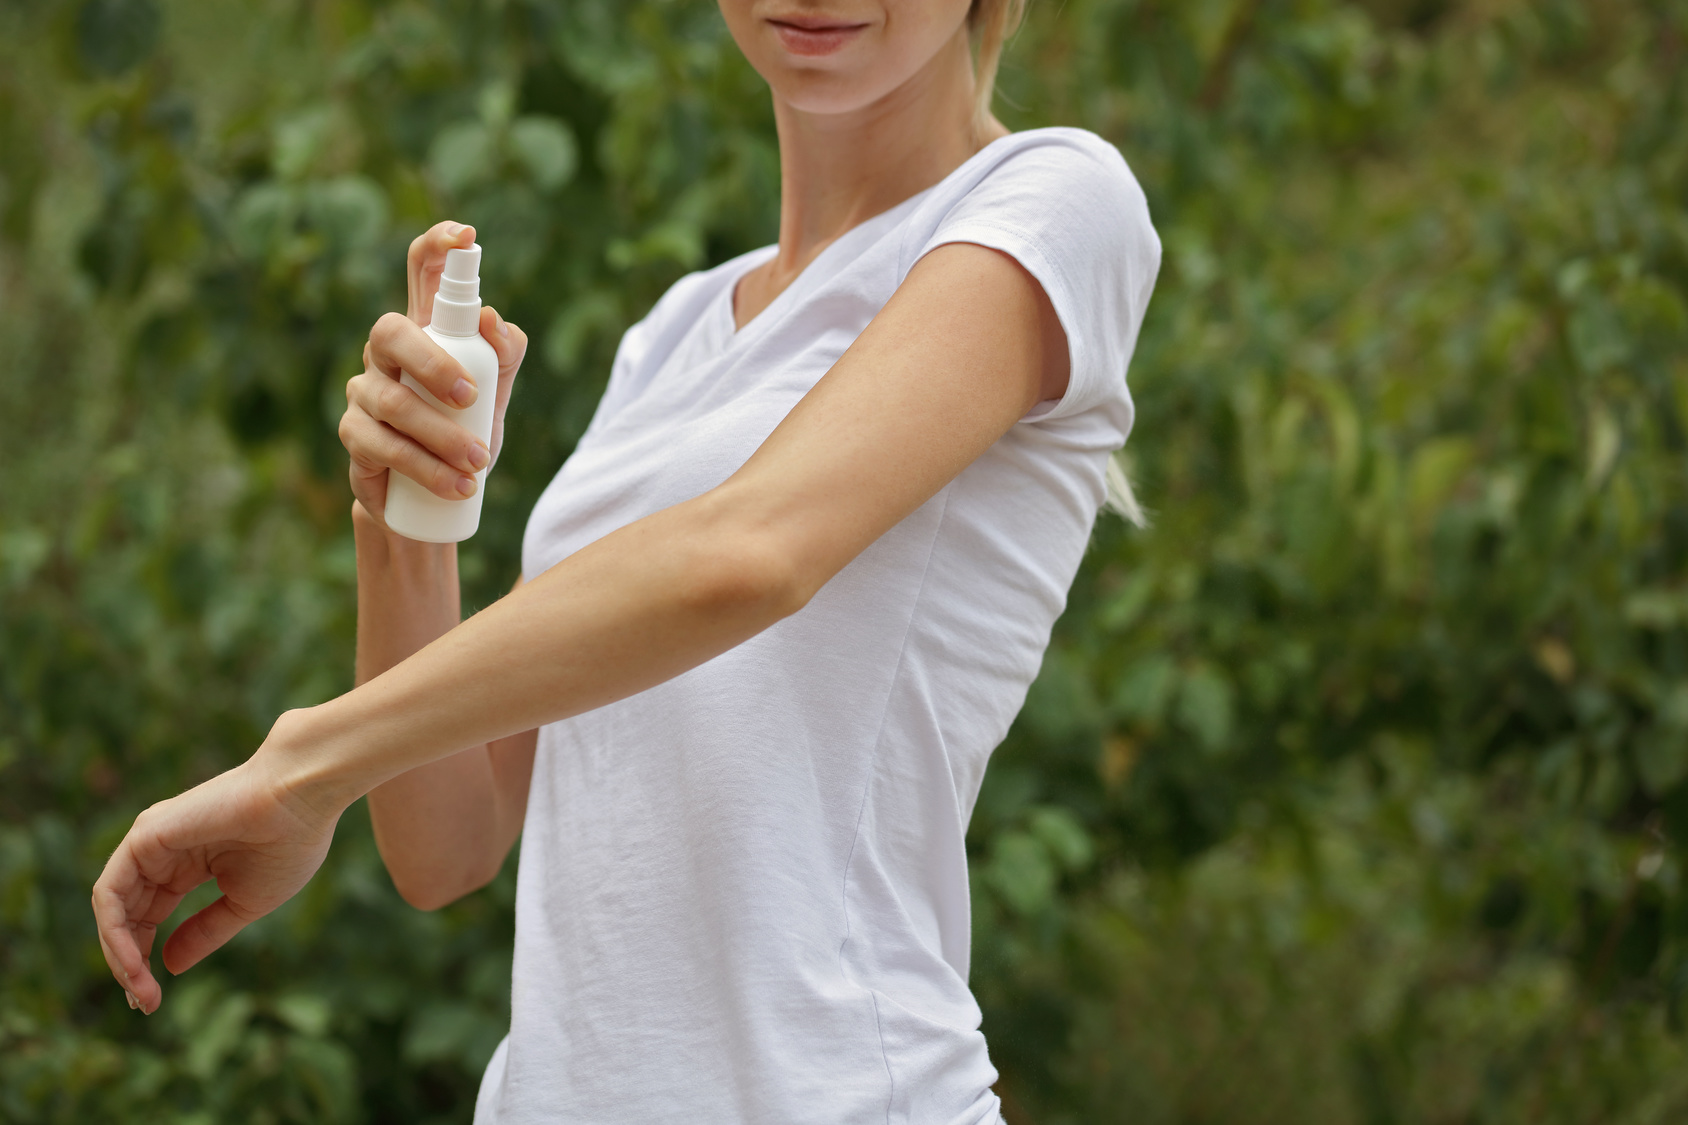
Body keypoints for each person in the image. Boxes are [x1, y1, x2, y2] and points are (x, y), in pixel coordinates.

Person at [91, 0, 1160, 1120]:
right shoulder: (675, 334)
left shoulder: (1053, 203)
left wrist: (300, 764)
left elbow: (748, 554)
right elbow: (445, 843)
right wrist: (409, 505)